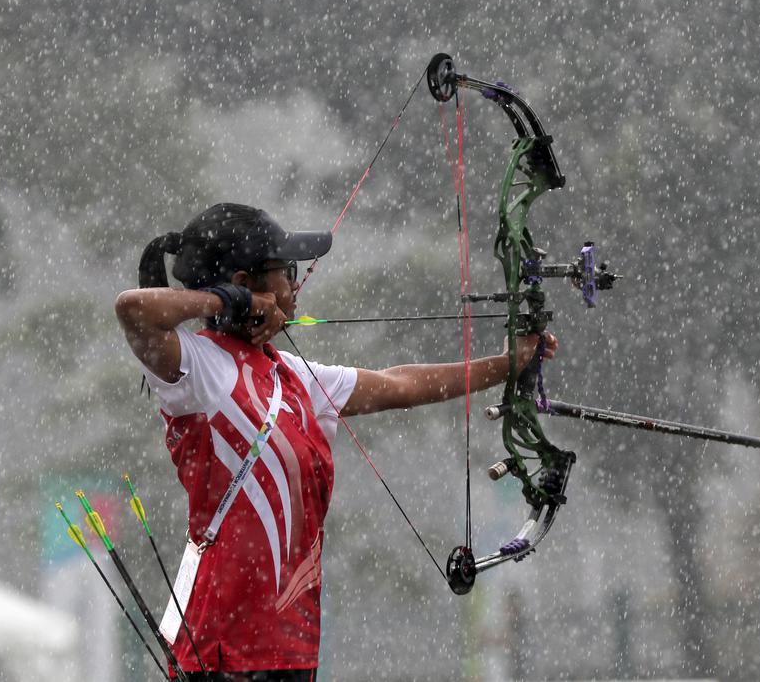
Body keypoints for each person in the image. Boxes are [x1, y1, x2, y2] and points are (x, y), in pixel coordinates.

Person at [115, 203, 555, 682]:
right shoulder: (197, 369)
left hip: (289, 645)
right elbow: (133, 309)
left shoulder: (293, 378)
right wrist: (228, 301)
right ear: (246, 282)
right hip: (225, 652)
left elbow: (400, 384)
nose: (296, 283)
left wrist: (511, 361)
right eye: (286, 271)